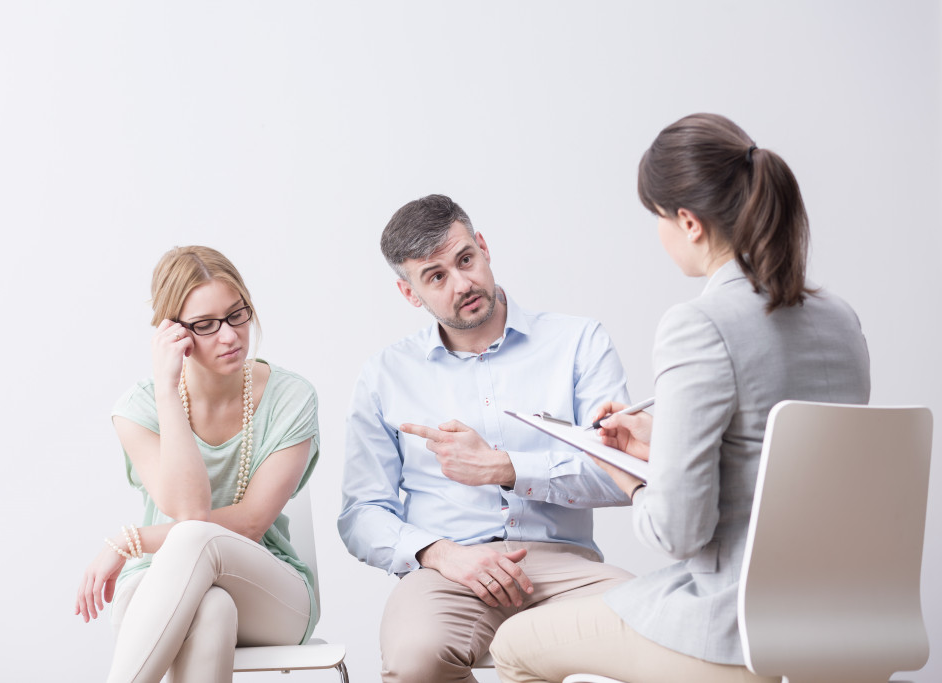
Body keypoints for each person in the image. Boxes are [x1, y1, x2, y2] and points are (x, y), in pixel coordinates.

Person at [489, 113, 872, 683]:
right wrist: (663, 443)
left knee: (514, 646)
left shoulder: (700, 324)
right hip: (843, 623)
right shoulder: (841, 320)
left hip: (732, 629)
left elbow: (678, 533)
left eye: (658, 219)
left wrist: (621, 471)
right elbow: (775, 456)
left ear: (688, 221)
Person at [338, 194, 635, 683]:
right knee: (415, 657)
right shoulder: (384, 376)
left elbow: (620, 475)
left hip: (565, 567)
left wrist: (507, 469)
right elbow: (360, 513)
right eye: (436, 276)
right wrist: (439, 553)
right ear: (410, 293)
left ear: (483, 246)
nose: (463, 284)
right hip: (449, 571)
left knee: (658, 629)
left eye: (465, 260)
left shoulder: (578, 342)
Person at [74, 246, 321, 683]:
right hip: (158, 587)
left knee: (199, 548)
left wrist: (129, 540)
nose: (229, 336)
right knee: (212, 608)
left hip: (269, 593)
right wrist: (169, 391)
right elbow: (190, 510)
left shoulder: (291, 398)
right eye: (205, 326)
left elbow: (247, 524)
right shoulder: (139, 409)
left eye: (236, 315)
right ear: (173, 332)